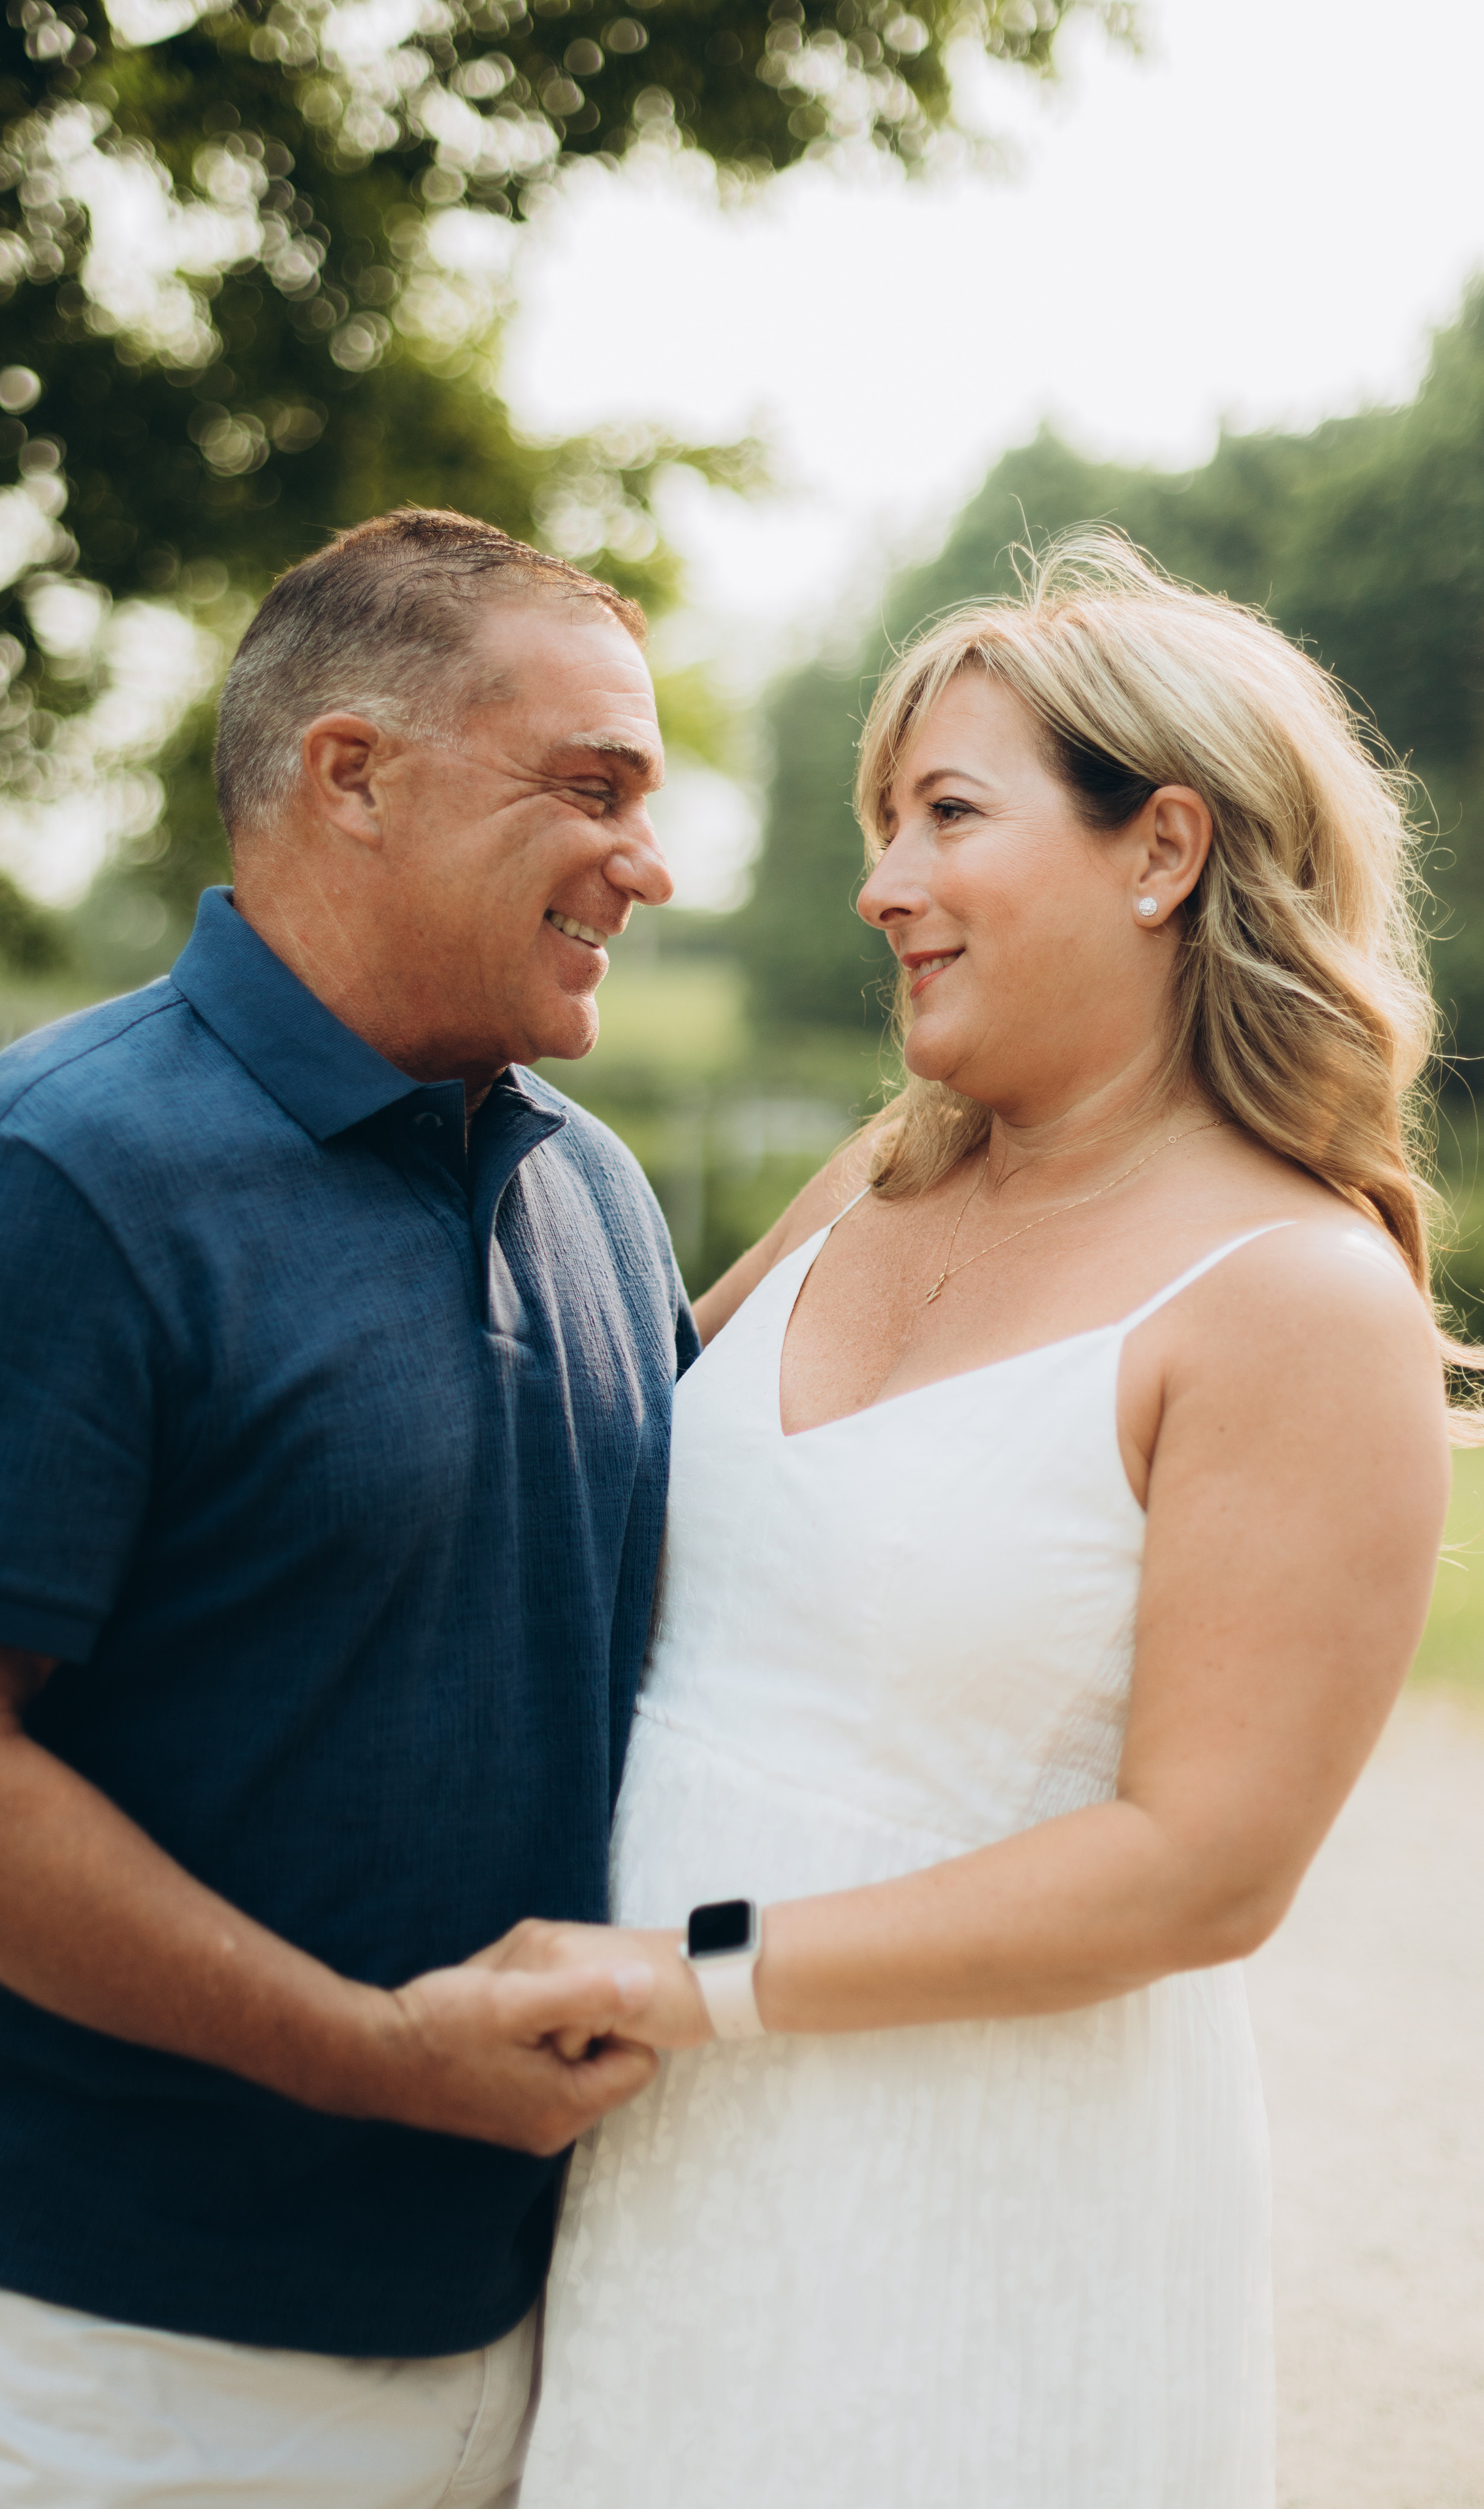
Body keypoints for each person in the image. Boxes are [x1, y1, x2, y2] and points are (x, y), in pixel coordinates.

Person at [495, 535, 1457, 2508]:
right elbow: (593, 1502)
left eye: (946, 814)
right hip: (656, 2174)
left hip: (981, 2219)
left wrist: (694, 1979)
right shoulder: (877, 1180)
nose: (881, 887)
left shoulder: (1299, 1304)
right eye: (882, 824)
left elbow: (1202, 1867)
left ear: (1162, 848)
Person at [0, 508, 695, 2509]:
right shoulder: (54, 1181)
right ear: (352, 773)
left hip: (546, 2323)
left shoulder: (597, 1194)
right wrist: (378, 2056)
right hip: (128, 2359)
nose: (650, 861)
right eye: (593, 787)